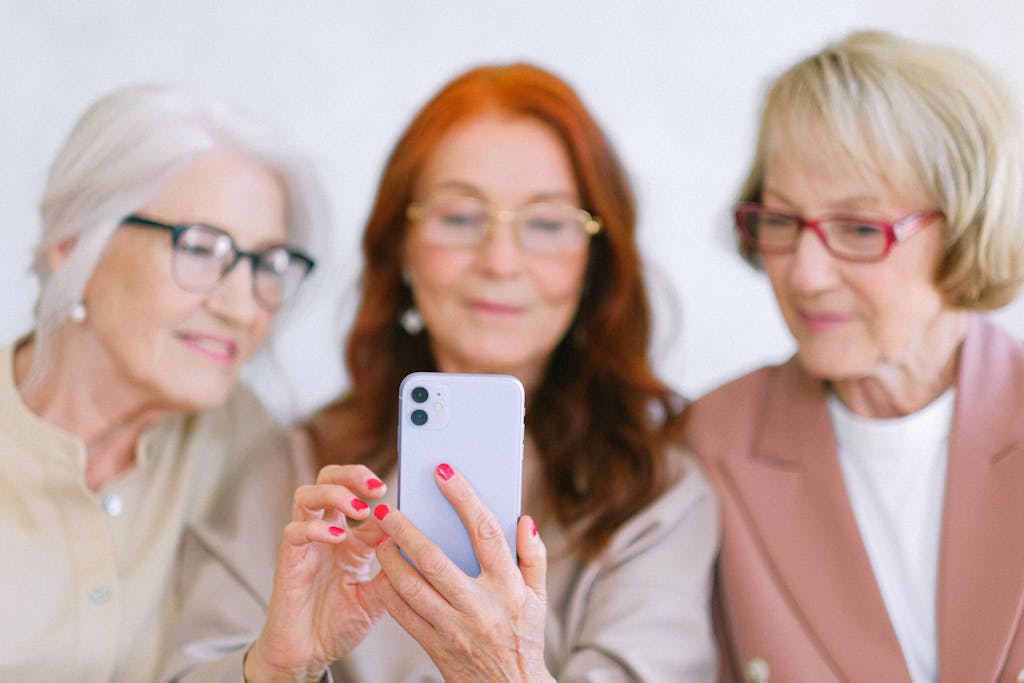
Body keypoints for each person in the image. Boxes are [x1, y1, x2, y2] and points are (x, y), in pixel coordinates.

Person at [168, 63, 719, 682]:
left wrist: (504, 669)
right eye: (459, 218)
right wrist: (277, 667)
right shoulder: (304, 471)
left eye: (546, 223)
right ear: (400, 247)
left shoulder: (655, 495)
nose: (500, 260)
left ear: (595, 264)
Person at [683, 30, 1024, 682]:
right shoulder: (709, 443)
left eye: (860, 228)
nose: (806, 275)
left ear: (970, 227)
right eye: (781, 221)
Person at [0, 82, 331, 681]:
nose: (242, 308)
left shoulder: (248, 443)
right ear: (73, 243)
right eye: (201, 249)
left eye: (267, 265)